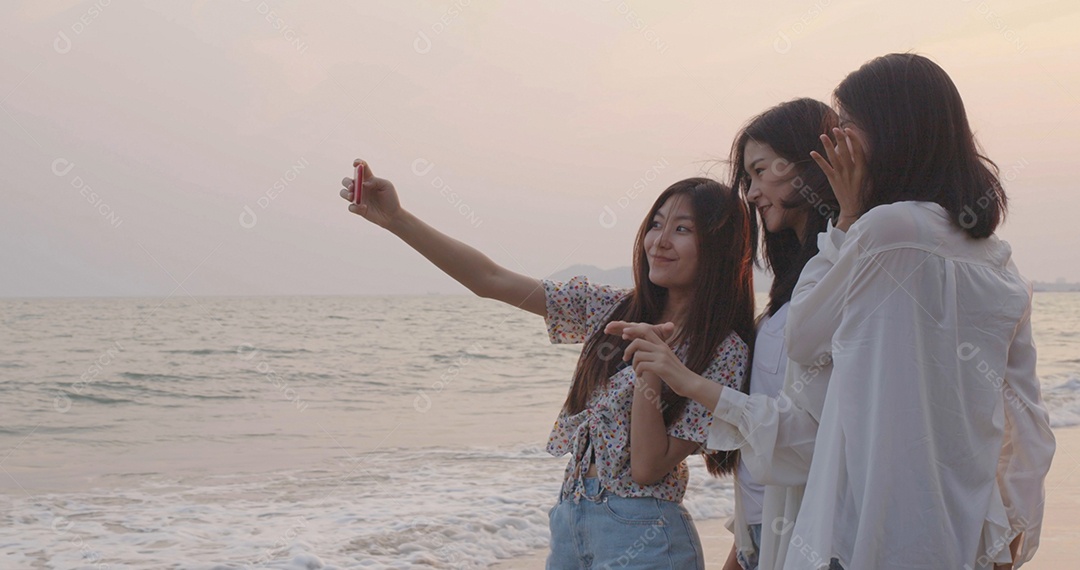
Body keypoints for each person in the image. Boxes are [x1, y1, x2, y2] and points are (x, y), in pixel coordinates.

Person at [338, 165, 756, 569]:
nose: (659, 241)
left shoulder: (723, 350)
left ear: (720, 247)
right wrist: (396, 219)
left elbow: (647, 469)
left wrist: (650, 369)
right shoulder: (611, 309)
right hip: (570, 525)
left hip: (644, 533)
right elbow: (491, 280)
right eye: (656, 223)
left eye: (682, 229)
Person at [784, 53, 1054, 569]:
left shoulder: (886, 230)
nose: (834, 143)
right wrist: (1014, 526)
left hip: (875, 529)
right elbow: (1026, 415)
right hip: (963, 528)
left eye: (846, 126)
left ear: (890, 131)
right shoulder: (997, 259)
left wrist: (845, 218)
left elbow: (803, 339)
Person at [608, 98, 841, 570]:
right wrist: (742, 548)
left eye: (759, 172)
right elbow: (763, 447)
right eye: (748, 177)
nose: (751, 193)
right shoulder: (788, 291)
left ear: (809, 163)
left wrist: (678, 376)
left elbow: (816, 434)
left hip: (809, 537)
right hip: (763, 534)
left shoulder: (836, 272)